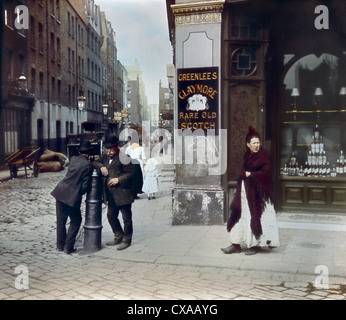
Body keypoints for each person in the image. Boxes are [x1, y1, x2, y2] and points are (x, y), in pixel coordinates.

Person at [221, 126, 280, 255]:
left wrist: (252, 175)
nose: (257, 145)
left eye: (258, 143)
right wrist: (245, 175)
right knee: (240, 215)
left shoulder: (263, 155)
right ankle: (235, 244)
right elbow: (243, 170)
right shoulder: (247, 155)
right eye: (254, 143)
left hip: (259, 194)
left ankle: (256, 245)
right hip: (245, 192)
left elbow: (266, 172)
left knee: (257, 216)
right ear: (248, 144)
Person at [51, 139, 93, 254]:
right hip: (71, 197)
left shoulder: (73, 159)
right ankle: (68, 247)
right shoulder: (88, 165)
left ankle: (60, 245)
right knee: (76, 220)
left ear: (79, 152)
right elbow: (85, 186)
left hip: (60, 192)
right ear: (89, 153)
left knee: (61, 221)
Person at [93, 134, 135, 250]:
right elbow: (95, 162)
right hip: (110, 194)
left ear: (117, 147)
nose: (109, 150)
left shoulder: (124, 157)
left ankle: (127, 239)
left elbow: (131, 174)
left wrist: (118, 179)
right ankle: (118, 235)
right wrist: (101, 166)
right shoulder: (105, 156)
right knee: (111, 216)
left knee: (126, 218)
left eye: (111, 148)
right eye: (107, 148)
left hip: (123, 193)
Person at [125, 133, 146, 199]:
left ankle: (131, 193)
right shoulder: (140, 148)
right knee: (137, 179)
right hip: (138, 163)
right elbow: (144, 158)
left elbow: (126, 156)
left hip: (130, 163)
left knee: (131, 178)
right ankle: (135, 193)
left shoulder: (128, 148)